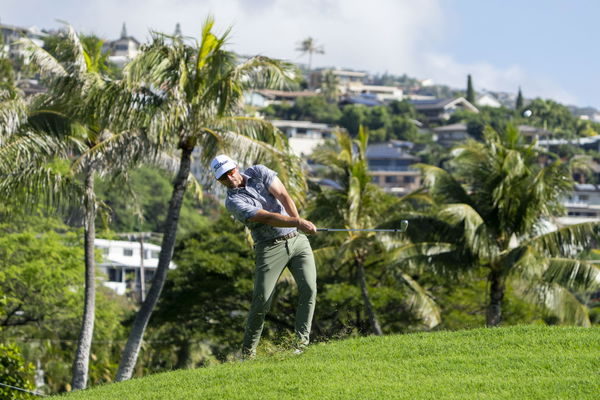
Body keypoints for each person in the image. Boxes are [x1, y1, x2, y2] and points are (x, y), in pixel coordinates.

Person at [211, 154, 317, 358]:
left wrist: (298, 223)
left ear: (236, 167)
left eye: (230, 172)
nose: (230, 178)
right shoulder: (233, 202)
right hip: (269, 248)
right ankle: (248, 353)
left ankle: (301, 344)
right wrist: (298, 222)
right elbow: (267, 218)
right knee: (262, 301)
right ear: (219, 181)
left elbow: (284, 195)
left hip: (297, 241)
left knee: (309, 289)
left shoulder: (259, 171)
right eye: (223, 177)